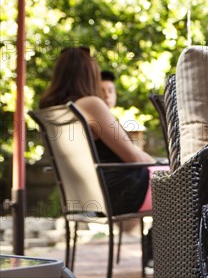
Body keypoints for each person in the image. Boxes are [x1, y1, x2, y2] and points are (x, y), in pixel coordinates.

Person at [39, 47, 158, 215]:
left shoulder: (53, 110)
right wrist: (162, 165)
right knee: (189, 181)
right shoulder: (90, 104)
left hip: (91, 197)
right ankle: (172, 241)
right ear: (90, 75)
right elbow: (134, 157)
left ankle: (154, 241)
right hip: (122, 192)